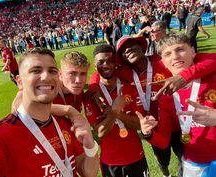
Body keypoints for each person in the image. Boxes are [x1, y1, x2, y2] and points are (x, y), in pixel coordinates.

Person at [89, 36, 216, 177]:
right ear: (122, 59)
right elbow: (100, 71)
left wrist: (184, 76)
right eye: (124, 50)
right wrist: (94, 88)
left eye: (133, 45)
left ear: (143, 48)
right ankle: (165, 171)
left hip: (181, 125)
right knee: (163, 158)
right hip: (154, 127)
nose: (129, 49)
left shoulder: (162, 63)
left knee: (184, 159)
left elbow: (210, 59)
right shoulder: (123, 73)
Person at [0, 48, 99, 177]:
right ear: (19, 81)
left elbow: (88, 173)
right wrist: (69, 110)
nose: (46, 76)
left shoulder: (64, 123)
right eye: (36, 71)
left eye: (51, 71)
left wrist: (90, 146)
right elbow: (17, 105)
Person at [139, 32, 216, 177]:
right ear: (162, 61)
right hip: (194, 162)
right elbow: (163, 142)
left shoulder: (212, 77)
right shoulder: (167, 97)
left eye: (180, 49)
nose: (175, 56)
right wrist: (147, 133)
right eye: (167, 54)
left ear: (193, 51)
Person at [85, 44, 149, 177]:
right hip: (110, 161)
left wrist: (117, 113)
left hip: (136, 156)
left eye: (110, 61)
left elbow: (139, 124)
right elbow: (101, 132)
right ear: (95, 66)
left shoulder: (129, 87)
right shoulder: (91, 96)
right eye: (101, 62)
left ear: (116, 64)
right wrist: (114, 112)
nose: (106, 65)